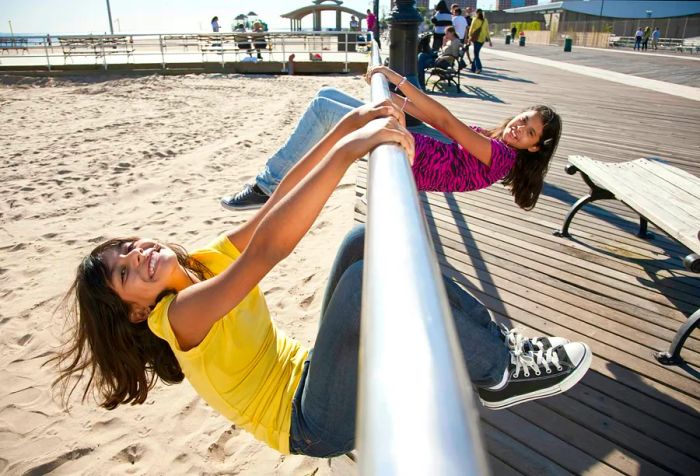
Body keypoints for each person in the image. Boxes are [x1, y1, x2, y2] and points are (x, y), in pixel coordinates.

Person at [52, 100, 591, 458]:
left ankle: (499, 345)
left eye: (126, 247)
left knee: (362, 242)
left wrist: (349, 124)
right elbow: (268, 251)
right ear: (136, 310)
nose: (136, 256)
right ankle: (500, 372)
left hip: (309, 373)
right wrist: (350, 151)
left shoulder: (197, 263)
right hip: (308, 423)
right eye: (124, 272)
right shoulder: (178, 317)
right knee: (361, 290)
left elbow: (278, 201)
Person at [222, 64, 563, 212]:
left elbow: (443, 119)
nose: (519, 127)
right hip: (402, 137)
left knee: (326, 109)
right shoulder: (497, 142)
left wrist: (395, 79)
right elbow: (433, 119)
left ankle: (267, 187)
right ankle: (270, 183)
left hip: (403, 152)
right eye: (523, 119)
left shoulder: (502, 157)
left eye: (529, 132)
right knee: (325, 94)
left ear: (533, 147)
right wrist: (394, 97)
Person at [417, 26, 462, 91]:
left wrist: (442, 57)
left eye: (447, 33)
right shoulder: (450, 40)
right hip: (439, 57)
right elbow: (444, 50)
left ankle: (421, 85)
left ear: (452, 33)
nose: (445, 35)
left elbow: (455, 56)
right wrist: (444, 43)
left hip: (444, 62)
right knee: (421, 55)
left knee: (421, 62)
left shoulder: (455, 42)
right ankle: (421, 84)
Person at [468, 9, 489, 74]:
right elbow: (487, 30)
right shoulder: (485, 20)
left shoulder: (475, 19)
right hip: (482, 39)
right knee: (476, 53)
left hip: (476, 39)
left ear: (476, 13)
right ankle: (473, 68)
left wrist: (469, 37)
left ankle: (479, 67)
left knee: (476, 54)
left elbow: (471, 29)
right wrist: (489, 39)